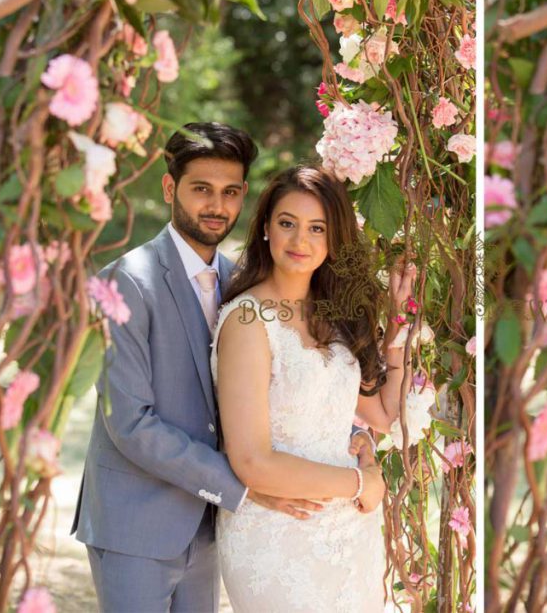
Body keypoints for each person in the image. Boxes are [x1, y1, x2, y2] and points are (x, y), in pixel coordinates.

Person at [72, 123, 374, 612]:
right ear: (170, 189)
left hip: (212, 526)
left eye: (231, 192)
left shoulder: (240, 282)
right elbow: (129, 422)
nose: (217, 206)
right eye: (201, 190)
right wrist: (246, 486)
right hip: (137, 522)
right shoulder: (128, 282)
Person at [211, 165, 414, 612]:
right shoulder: (247, 321)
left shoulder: (334, 314)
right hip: (277, 532)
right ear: (266, 228)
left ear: (333, 239)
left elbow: (382, 414)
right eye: (288, 224)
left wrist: (397, 323)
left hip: (349, 534)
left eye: (316, 228)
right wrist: (362, 483)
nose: (300, 241)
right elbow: (250, 460)